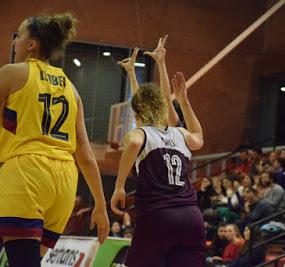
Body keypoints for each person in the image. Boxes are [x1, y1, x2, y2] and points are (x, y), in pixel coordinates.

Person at [0, 13, 109, 267]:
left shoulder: (12, 73)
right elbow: (85, 151)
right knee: (25, 261)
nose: (15, 42)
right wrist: (100, 206)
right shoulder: (71, 88)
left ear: (31, 44)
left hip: (28, 173)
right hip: (65, 183)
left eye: (19, 36)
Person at [111, 71, 205, 266]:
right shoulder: (181, 133)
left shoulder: (139, 133)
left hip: (158, 216)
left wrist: (119, 186)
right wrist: (184, 101)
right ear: (163, 109)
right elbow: (198, 137)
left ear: (136, 114)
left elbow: (134, 143)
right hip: (192, 217)